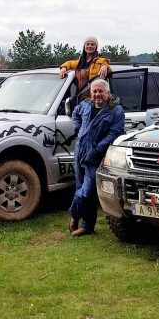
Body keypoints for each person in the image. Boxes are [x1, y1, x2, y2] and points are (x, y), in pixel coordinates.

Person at [68, 79, 125, 237]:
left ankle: (74, 216)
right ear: (91, 93)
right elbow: (75, 113)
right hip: (80, 151)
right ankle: (88, 225)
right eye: (94, 91)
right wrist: (78, 129)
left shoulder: (116, 110)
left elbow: (115, 133)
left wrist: (96, 149)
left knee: (87, 190)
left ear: (107, 92)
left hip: (97, 155)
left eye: (100, 91)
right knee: (81, 187)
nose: (97, 94)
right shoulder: (85, 104)